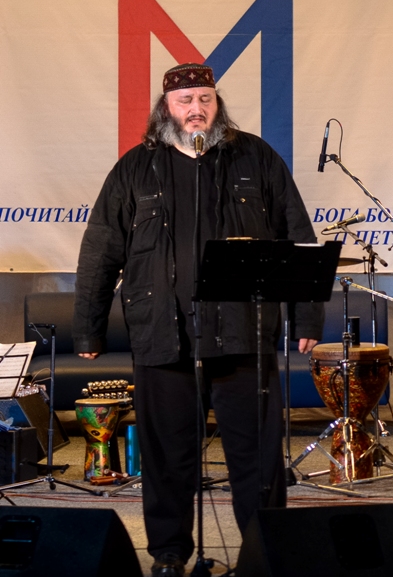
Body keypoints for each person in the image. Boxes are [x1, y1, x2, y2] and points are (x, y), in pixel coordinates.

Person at [73, 63, 322, 577]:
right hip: (163, 334)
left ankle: (265, 551)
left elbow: (296, 237)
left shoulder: (255, 157)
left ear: (217, 103)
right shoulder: (135, 168)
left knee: (256, 455)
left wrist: (306, 320)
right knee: (166, 455)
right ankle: (168, 553)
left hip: (243, 331)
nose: (196, 109)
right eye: (185, 100)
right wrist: (88, 327)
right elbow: (100, 251)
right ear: (165, 109)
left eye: (205, 99)